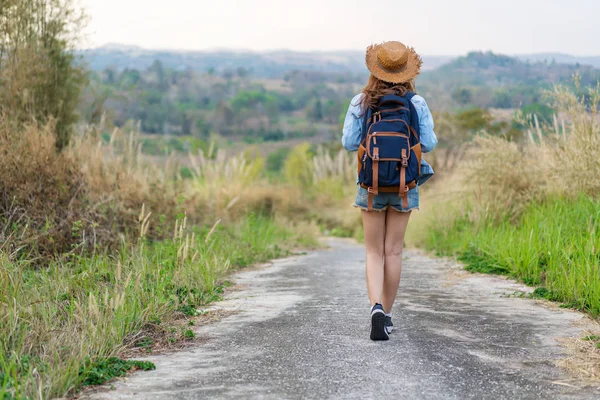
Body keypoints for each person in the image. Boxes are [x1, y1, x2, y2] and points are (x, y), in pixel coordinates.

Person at [341, 41, 438, 341]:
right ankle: (389, 316)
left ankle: (375, 309)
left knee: (373, 251)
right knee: (393, 251)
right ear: (407, 72)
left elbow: (348, 142)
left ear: (375, 69)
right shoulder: (415, 103)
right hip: (404, 184)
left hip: (370, 184)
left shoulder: (361, 101)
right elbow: (430, 143)